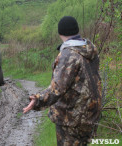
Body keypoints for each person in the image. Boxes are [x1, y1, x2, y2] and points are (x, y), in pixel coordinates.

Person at [23, 16, 102, 146]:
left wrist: (37, 100)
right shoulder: (89, 48)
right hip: (91, 112)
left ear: (60, 33)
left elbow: (57, 89)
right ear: (77, 31)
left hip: (72, 117)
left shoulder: (68, 55)